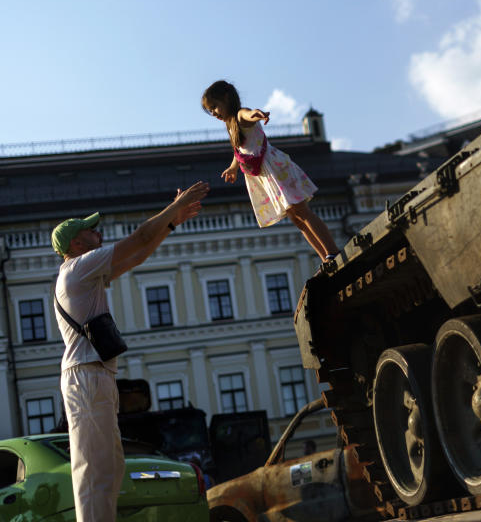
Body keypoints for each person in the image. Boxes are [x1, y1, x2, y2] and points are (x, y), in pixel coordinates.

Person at [51, 181, 209, 522]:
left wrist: (169, 224)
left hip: (94, 375)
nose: (99, 233)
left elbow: (137, 254)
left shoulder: (85, 274)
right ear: (76, 243)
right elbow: (137, 239)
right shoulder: (79, 269)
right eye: (92, 231)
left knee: (108, 466)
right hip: (87, 375)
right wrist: (173, 209)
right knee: (95, 470)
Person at [201, 79, 339, 262]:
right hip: (267, 175)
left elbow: (249, 115)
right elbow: (239, 151)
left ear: (226, 98)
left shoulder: (240, 114)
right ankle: (325, 257)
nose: (213, 113)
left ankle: (332, 251)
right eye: (210, 110)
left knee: (302, 212)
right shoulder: (231, 124)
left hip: (275, 169)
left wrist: (258, 114)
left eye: (215, 106)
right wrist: (233, 168)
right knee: (297, 219)